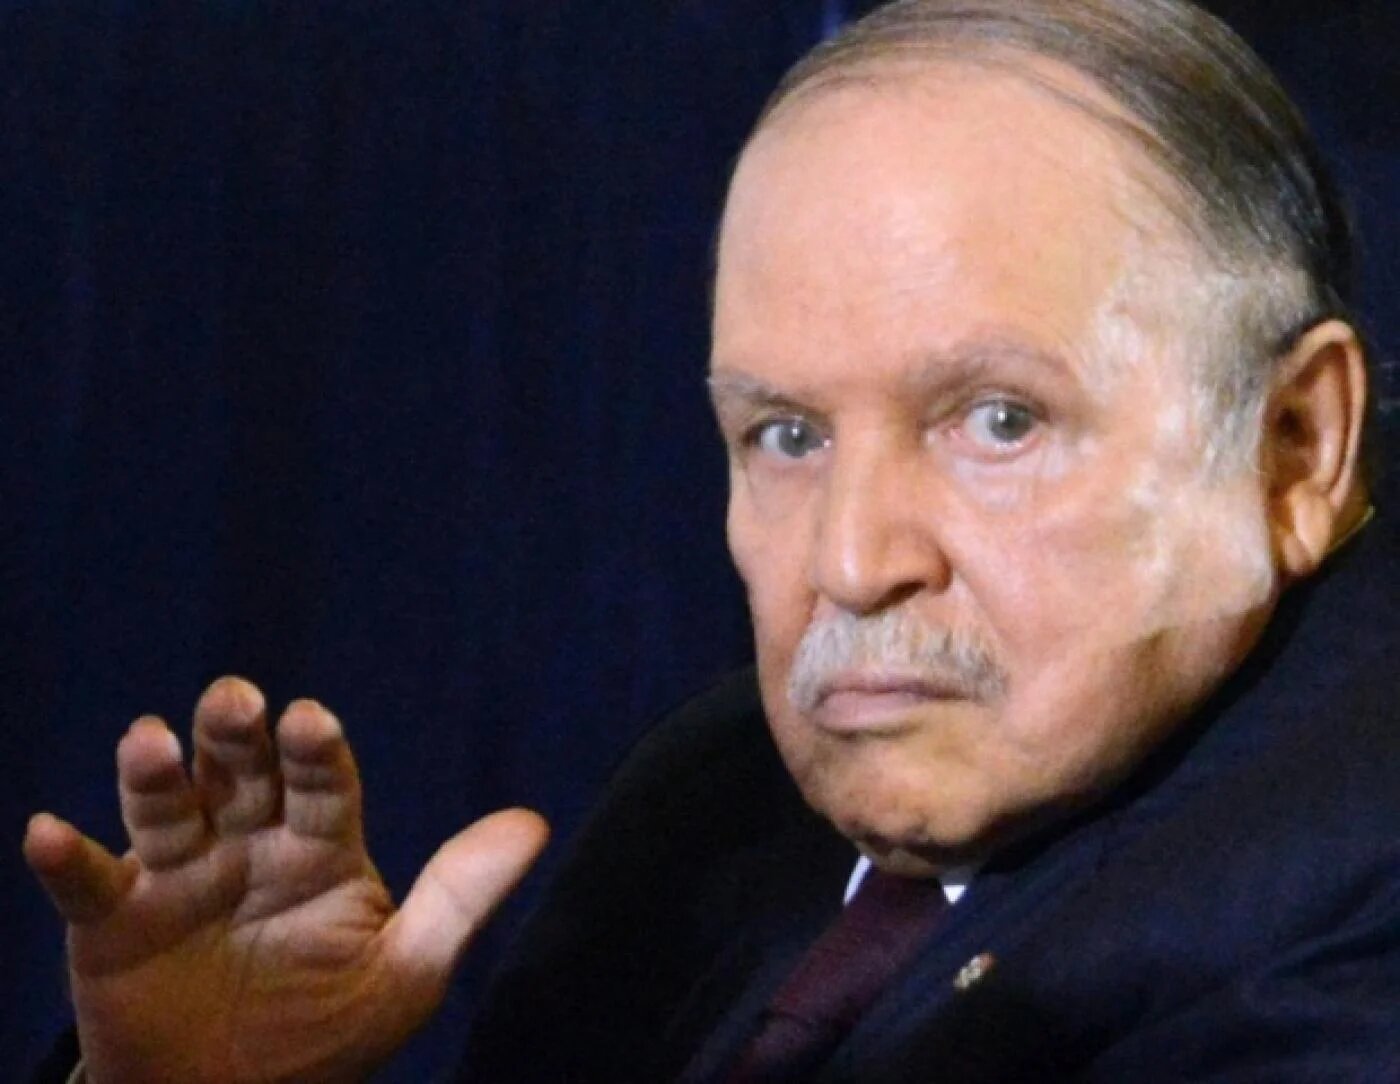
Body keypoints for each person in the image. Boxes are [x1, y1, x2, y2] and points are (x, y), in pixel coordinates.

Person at [23, 0, 1399, 1080]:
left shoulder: (1356, 912)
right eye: (786, 435)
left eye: (997, 421)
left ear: (1297, 447)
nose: (851, 564)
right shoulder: (714, 798)